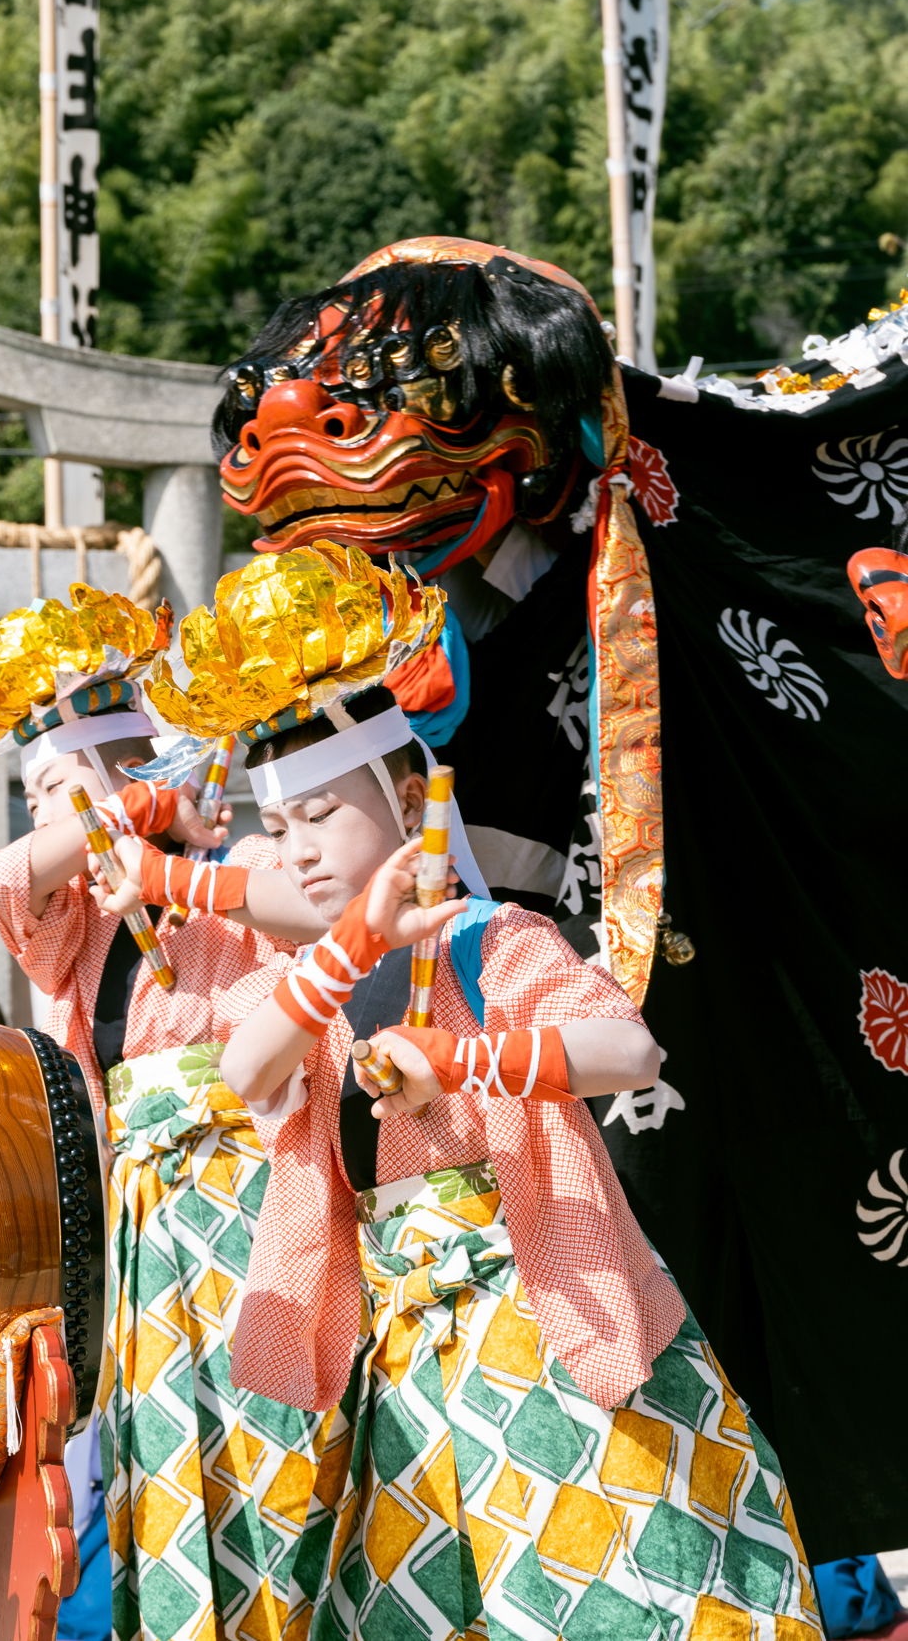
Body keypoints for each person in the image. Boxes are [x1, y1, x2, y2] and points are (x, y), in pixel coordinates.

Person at [101, 540, 824, 1641]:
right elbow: (246, 1069)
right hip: (402, 1350)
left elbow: (627, 1052)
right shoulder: (308, 979)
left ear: (409, 801)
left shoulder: (495, 938)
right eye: (278, 828)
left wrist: (462, 1063)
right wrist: (349, 945)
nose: (296, 850)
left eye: (323, 815)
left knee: (618, 1593)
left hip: (542, 1314)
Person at [0, 584, 350, 1641]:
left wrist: (174, 868)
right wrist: (129, 819)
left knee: (274, 1436)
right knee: (159, 1436)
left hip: (259, 1185)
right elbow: (4, 881)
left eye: (53, 787)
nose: (38, 813)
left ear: (129, 766)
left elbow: (322, 913)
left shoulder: (236, 865)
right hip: (146, 1208)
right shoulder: (76, 925)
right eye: (32, 795)